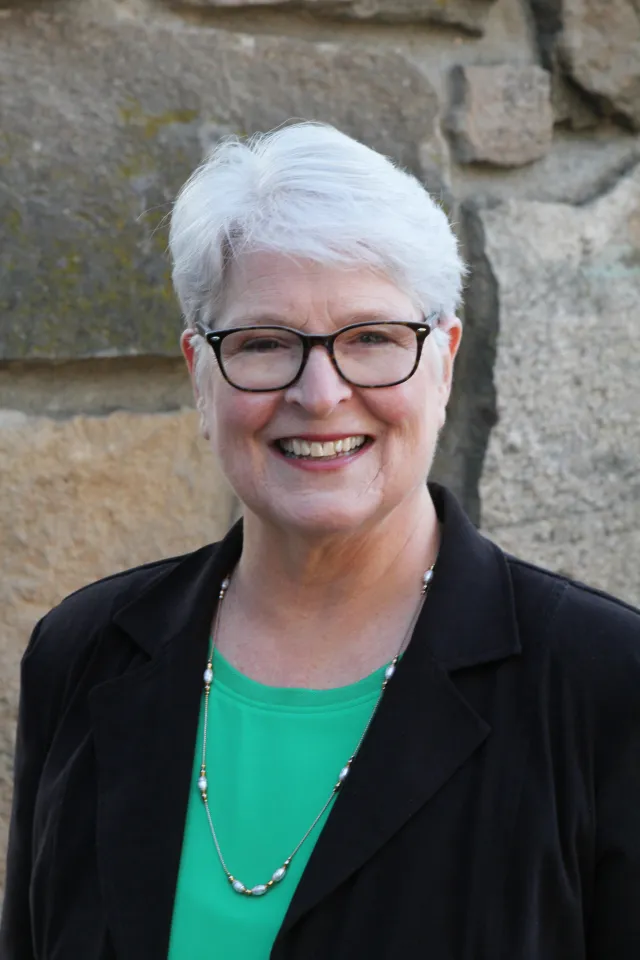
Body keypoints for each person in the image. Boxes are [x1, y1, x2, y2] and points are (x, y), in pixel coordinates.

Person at [2, 121, 639, 960]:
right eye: (264, 343)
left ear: (443, 360)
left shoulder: (604, 683)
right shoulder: (84, 656)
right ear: (200, 371)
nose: (321, 391)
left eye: (372, 338)